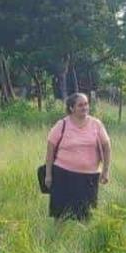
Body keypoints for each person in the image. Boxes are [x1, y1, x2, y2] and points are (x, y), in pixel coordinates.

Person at [43, 92, 111, 221]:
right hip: (63, 175)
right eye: (80, 105)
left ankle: (82, 239)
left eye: (86, 104)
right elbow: (50, 149)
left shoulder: (96, 124)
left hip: (89, 177)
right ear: (71, 108)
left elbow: (107, 147)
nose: (84, 107)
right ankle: (58, 239)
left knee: (86, 215)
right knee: (60, 214)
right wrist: (48, 174)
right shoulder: (62, 124)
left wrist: (106, 171)